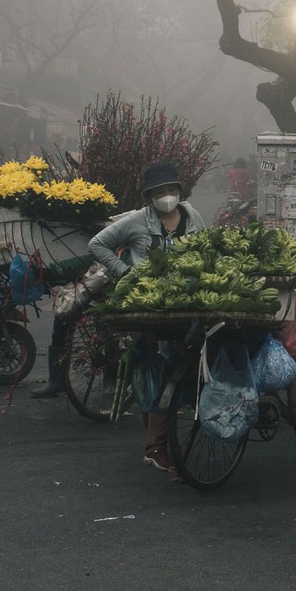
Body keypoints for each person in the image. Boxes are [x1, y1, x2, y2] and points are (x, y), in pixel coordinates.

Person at [81, 162, 200, 467]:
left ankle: (159, 439)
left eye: (171, 190)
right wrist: (125, 271)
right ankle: (156, 445)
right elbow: (98, 244)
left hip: (186, 304)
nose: (166, 196)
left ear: (179, 191)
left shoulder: (191, 215)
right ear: (150, 196)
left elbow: (206, 247)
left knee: (180, 363)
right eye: (159, 192)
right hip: (147, 306)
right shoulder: (136, 221)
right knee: (154, 369)